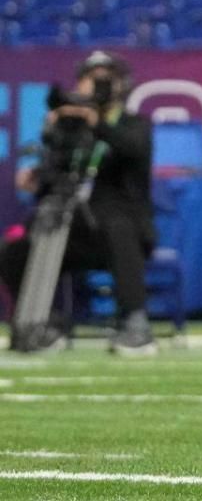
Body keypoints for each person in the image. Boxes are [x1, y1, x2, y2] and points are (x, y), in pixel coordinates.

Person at [0, 51, 157, 354]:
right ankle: (37, 324)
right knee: (14, 249)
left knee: (117, 226)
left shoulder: (135, 125)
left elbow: (132, 151)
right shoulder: (70, 126)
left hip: (124, 232)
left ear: (121, 84)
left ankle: (135, 324)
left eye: (104, 79)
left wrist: (97, 122)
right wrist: (38, 173)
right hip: (76, 232)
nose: (96, 86)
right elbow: (57, 177)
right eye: (90, 79)